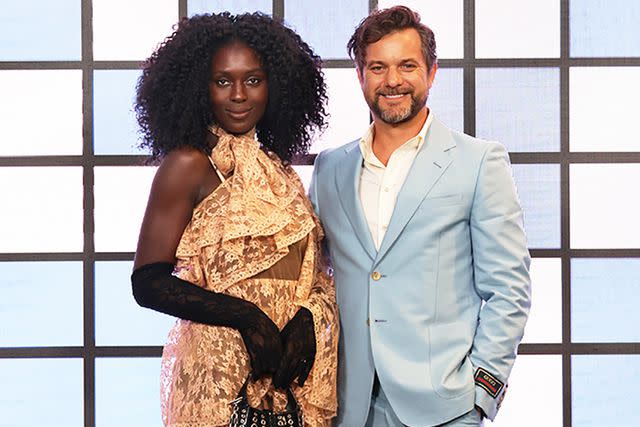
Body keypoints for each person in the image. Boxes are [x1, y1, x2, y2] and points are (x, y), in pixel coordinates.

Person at [309, 6, 531, 427]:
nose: (392, 80)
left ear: (431, 72)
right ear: (360, 77)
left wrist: (481, 393)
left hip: (446, 408)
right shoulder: (329, 169)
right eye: (378, 67)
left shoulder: (479, 161)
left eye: (406, 65)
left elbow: (509, 289)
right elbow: (311, 278)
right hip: (348, 407)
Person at [130, 12, 338, 427]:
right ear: (199, 88)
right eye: (223, 80)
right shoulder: (189, 165)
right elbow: (148, 282)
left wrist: (307, 321)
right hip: (216, 380)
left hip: (288, 385)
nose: (239, 94)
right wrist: (247, 318)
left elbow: (311, 274)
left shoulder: (280, 172)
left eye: (254, 80)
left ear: (274, 86)